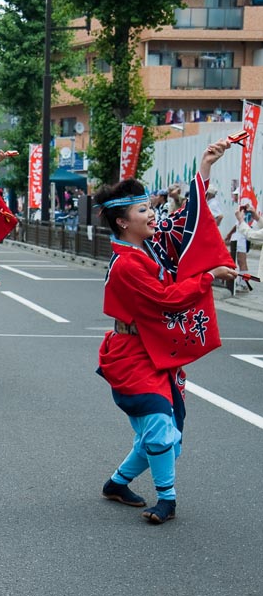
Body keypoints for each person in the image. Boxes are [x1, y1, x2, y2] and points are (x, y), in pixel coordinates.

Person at [95, 139, 238, 526]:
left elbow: (186, 224)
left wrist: (205, 166)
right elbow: (167, 299)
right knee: (161, 432)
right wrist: (209, 276)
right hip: (132, 355)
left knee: (163, 435)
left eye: (150, 207)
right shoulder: (127, 264)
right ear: (122, 221)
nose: (153, 215)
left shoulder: (148, 246)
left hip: (153, 349)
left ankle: (118, 483)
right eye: (143, 210)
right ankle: (167, 500)